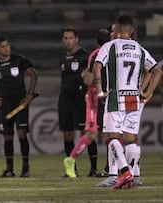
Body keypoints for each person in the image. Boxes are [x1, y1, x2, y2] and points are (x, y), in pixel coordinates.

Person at [93, 15, 162, 189]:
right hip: (134, 98)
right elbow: (157, 72)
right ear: (131, 30)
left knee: (111, 136)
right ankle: (135, 175)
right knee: (131, 138)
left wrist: (100, 91)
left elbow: (97, 67)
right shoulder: (140, 49)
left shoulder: (109, 46)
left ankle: (124, 173)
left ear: (116, 30)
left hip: (116, 96)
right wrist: (146, 93)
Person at [63, 28, 111, 178]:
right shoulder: (96, 55)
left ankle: (111, 168)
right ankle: (71, 160)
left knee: (112, 134)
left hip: (107, 99)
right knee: (92, 134)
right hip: (95, 99)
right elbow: (89, 80)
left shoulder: (107, 54)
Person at [0, 35, 37, 177]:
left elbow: (34, 74)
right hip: (4, 104)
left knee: (22, 133)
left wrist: (29, 95)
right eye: (3, 46)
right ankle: (9, 169)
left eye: (8, 46)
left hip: (20, 103)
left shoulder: (19, 60)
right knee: (7, 136)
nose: (6, 49)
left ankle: (25, 168)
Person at [58, 27, 98, 177]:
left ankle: (93, 168)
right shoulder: (62, 57)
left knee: (86, 133)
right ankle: (71, 169)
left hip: (80, 99)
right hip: (65, 99)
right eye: (65, 38)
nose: (68, 41)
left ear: (76, 39)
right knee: (67, 134)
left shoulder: (85, 56)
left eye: (70, 38)